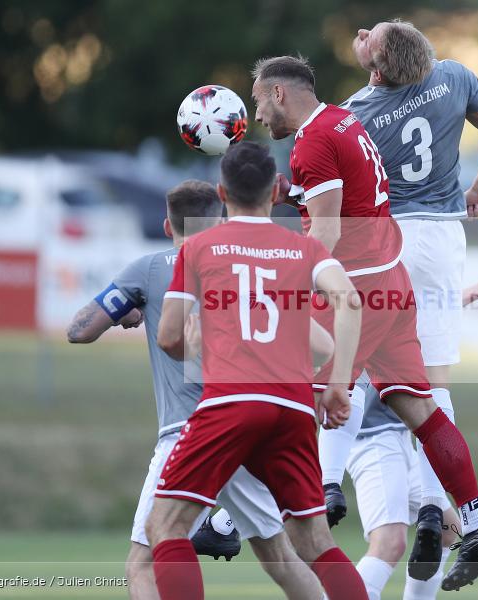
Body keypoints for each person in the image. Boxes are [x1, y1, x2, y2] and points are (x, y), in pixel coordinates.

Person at [251, 54, 478, 591]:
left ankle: (268, 508)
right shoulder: (341, 122)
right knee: (421, 407)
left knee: (296, 389)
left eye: (257, 101)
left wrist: (281, 283)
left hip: (359, 287)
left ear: (278, 93)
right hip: (394, 281)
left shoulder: (313, 140)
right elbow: (342, 198)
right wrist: (290, 192)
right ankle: (477, 518)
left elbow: (326, 231)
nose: (255, 116)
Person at [318, 19, 478, 583]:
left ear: (378, 68)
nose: (359, 31)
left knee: (352, 368)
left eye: (369, 36)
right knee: (432, 388)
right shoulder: (454, 78)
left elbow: (326, 191)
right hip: (440, 241)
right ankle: (436, 510)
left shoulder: (355, 110)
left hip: (384, 244)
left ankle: (328, 484)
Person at [66, 179, 328, 600]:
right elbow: (312, 341)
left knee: (145, 558)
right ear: (220, 217)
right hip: (254, 427)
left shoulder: (150, 270)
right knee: (281, 555)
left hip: (190, 431)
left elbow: (79, 330)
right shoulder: (251, 264)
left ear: (168, 227)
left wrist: (130, 309)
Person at [146, 142, 368, 600]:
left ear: (222, 193)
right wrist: (338, 385)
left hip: (229, 402)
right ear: (274, 193)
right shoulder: (304, 248)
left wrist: (197, 345)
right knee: (315, 542)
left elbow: (169, 336)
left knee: (165, 525)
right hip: (291, 406)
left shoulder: (200, 246)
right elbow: (349, 299)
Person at [346, 272, 478, 600]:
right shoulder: (365, 277)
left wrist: (471, 294)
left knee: (448, 531)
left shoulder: (385, 278)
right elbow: (402, 313)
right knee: (389, 542)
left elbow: (410, 313)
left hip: (398, 434)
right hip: (372, 438)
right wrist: (474, 292)